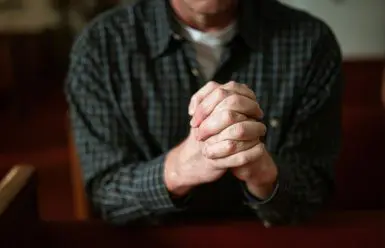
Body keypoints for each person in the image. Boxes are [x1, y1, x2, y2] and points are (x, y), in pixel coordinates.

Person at [65, 0, 343, 226]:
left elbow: (313, 192)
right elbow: (105, 197)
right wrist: (176, 170)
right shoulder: (101, 46)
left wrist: (263, 175)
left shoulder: (310, 42)